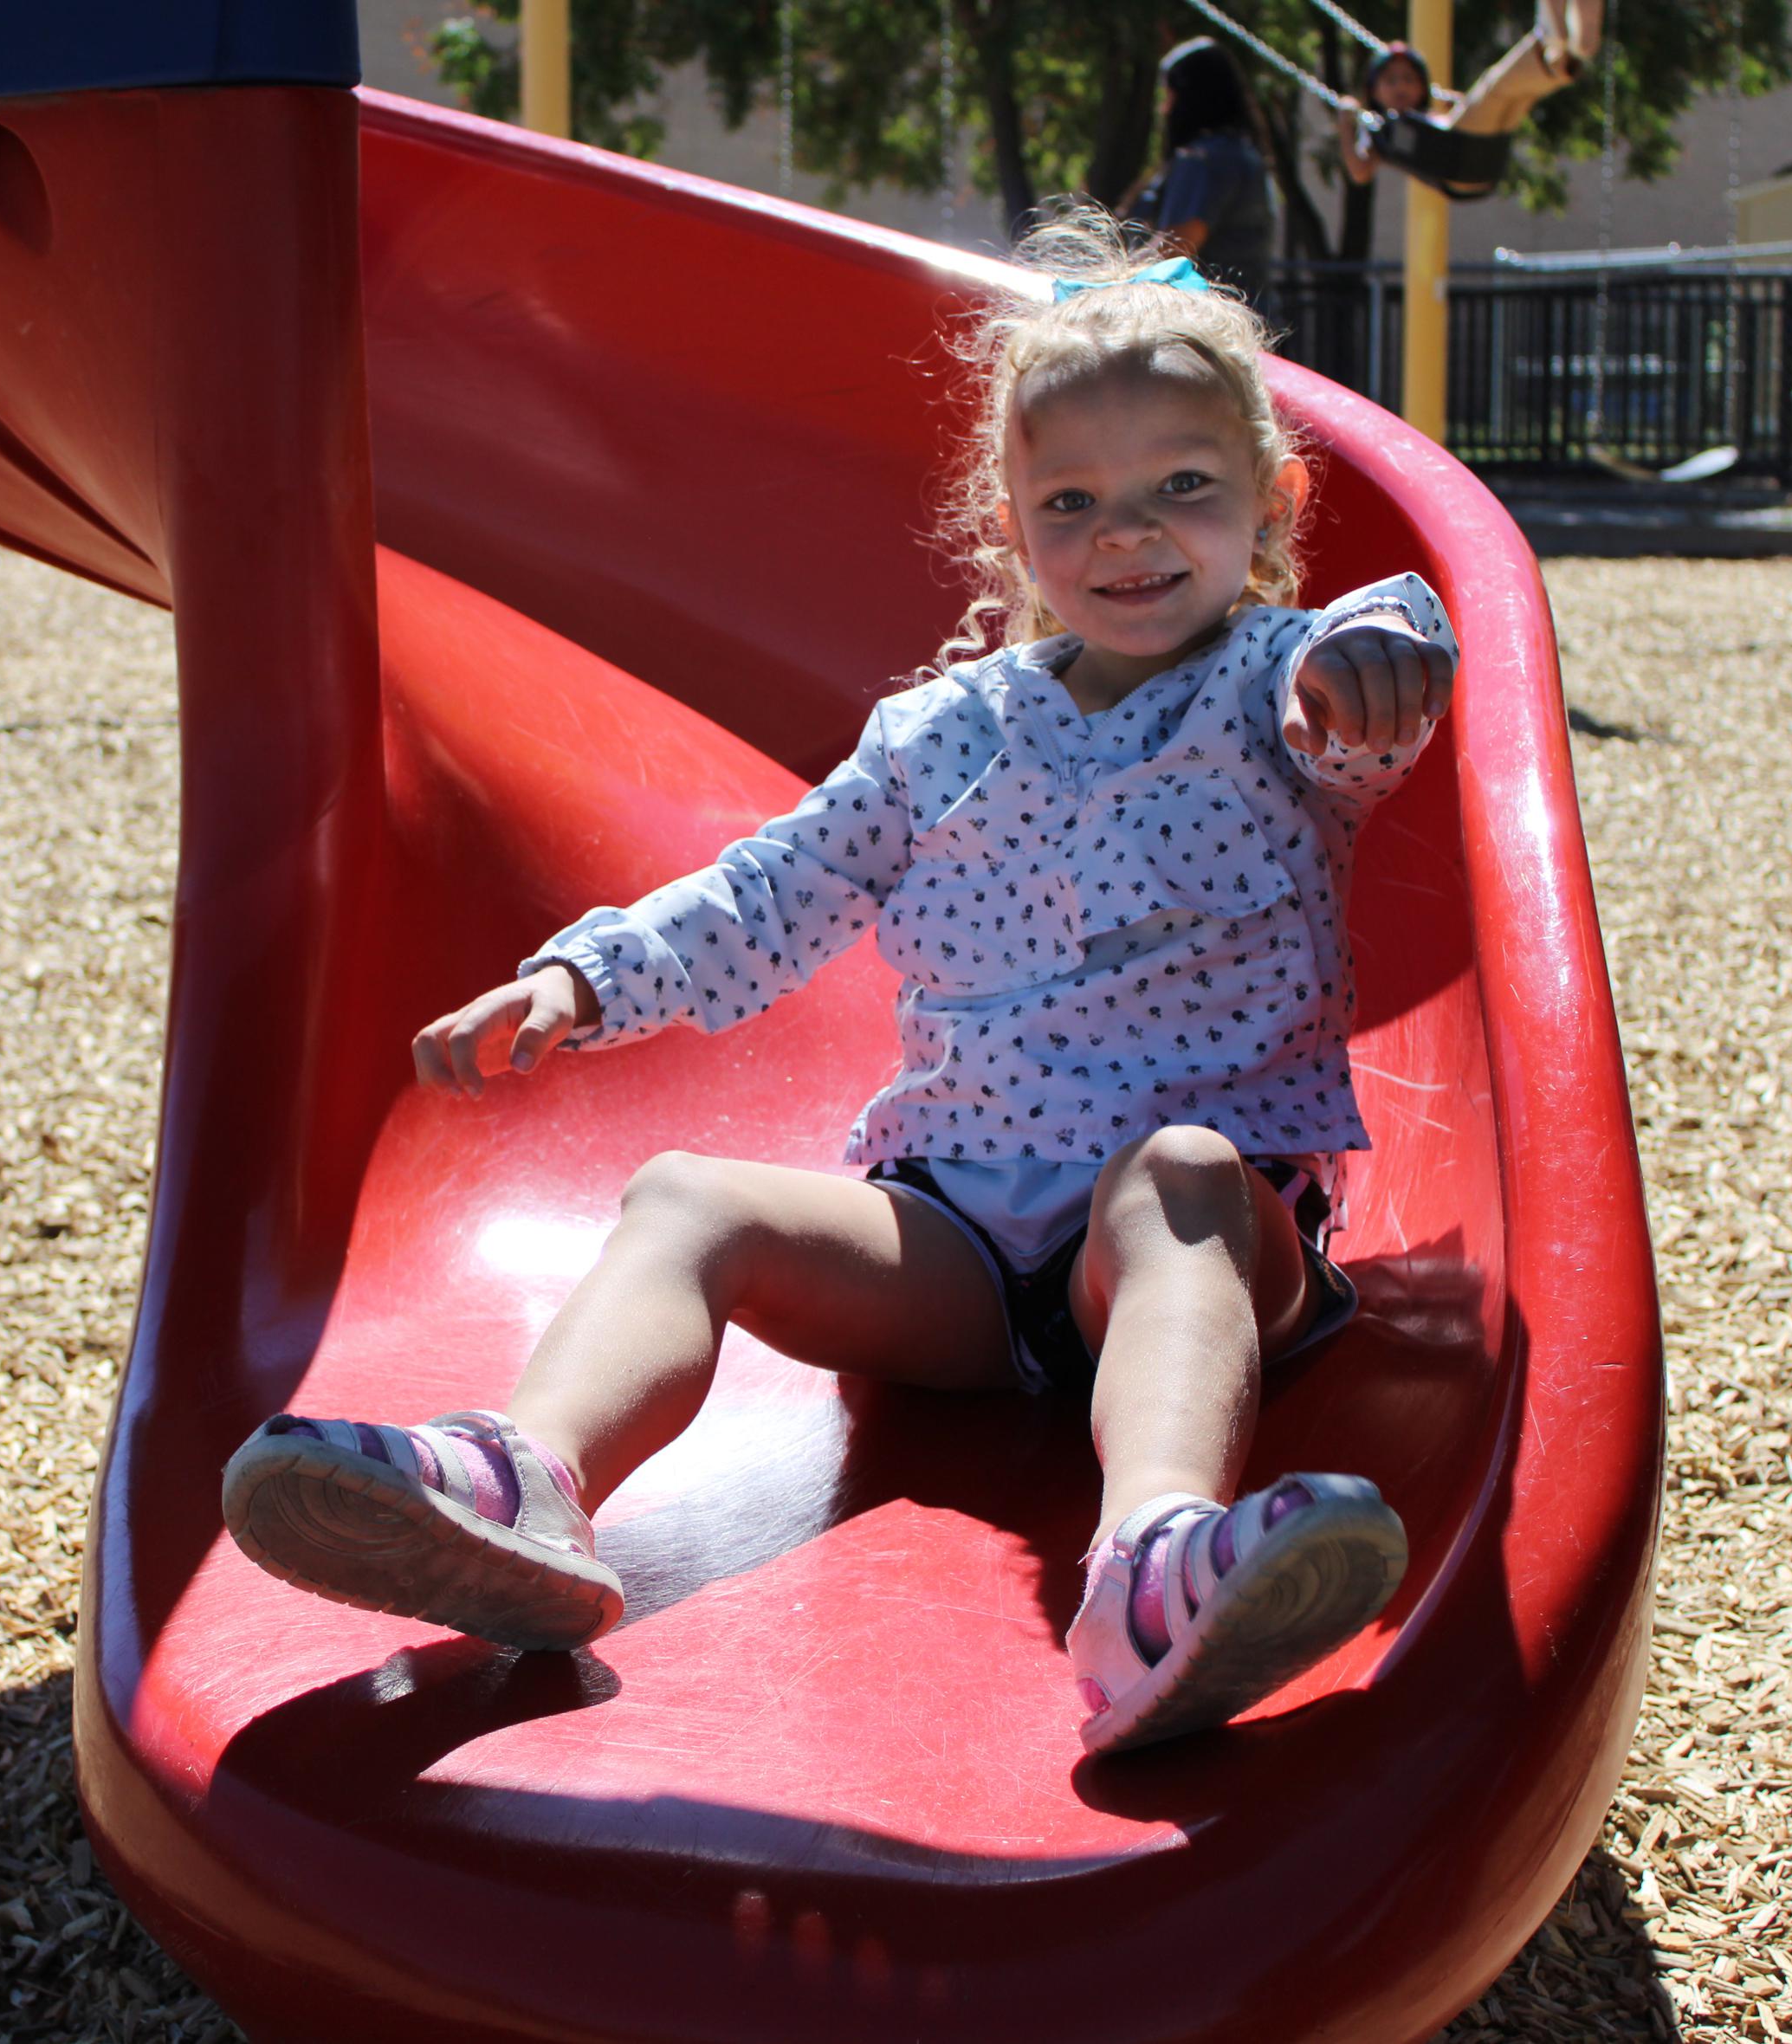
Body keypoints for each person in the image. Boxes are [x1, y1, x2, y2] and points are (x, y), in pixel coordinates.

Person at [219, 212, 1460, 1758]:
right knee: (685, 1196)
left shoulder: (1279, 687)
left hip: (1179, 1251)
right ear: (1008, 525)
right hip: (954, 1246)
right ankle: (520, 1486)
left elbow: (1372, 682)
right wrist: (587, 976)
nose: (1128, 537)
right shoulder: (939, 736)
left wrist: (1390, 636)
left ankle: (1152, 1571)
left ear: (1270, 501)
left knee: (1181, 1174)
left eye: (1183, 491)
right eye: (1071, 502)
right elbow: (774, 890)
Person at [1336, 0, 1606, 198]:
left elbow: (1455, 115)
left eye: (1409, 79)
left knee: (1523, 93)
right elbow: (1360, 172)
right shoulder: (1380, 132)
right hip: (1459, 159)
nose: (1401, 86)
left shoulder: (1429, 116)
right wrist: (1346, 125)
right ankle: (1548, 40)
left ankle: (1567, 57)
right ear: (1373, 91)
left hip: (1482, 159)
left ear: (1422, 89)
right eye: (1391, 80)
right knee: (1495, 88)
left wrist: (1454, 103)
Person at [1131, 38, 1277, 306]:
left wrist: (1110, 281)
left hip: (1208, 325)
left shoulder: (1203, 160)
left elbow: (1173, 253)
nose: (1164, 109)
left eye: (1168, 96)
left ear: (1189, 95)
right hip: (1248, 320)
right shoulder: (1245, 153)